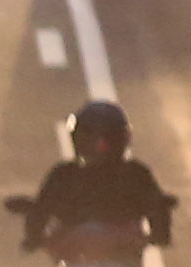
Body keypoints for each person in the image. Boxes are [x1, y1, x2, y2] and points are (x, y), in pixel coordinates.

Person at [17, 96, 180, 250]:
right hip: (75, 259)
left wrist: (160, 228)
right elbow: (42, 208)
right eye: (90, 138)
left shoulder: (136, 174)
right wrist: (34, 233)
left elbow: (156, 207)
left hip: (121, 260)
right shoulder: (64, 175)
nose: (100, 146)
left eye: (108, 139)